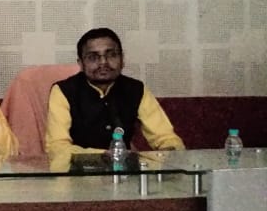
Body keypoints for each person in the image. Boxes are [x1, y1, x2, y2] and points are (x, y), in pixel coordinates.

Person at [45, 27, 184, 153]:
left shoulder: (136, 89)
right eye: (93, 57)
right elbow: (58, 146)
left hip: (125, 170)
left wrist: (171, 152)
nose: (103, 62)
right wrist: (105, 156)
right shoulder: (63, 91)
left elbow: (165, 137)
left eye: (111, 55)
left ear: (122, 59)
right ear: (81, 64)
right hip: (77, 170)